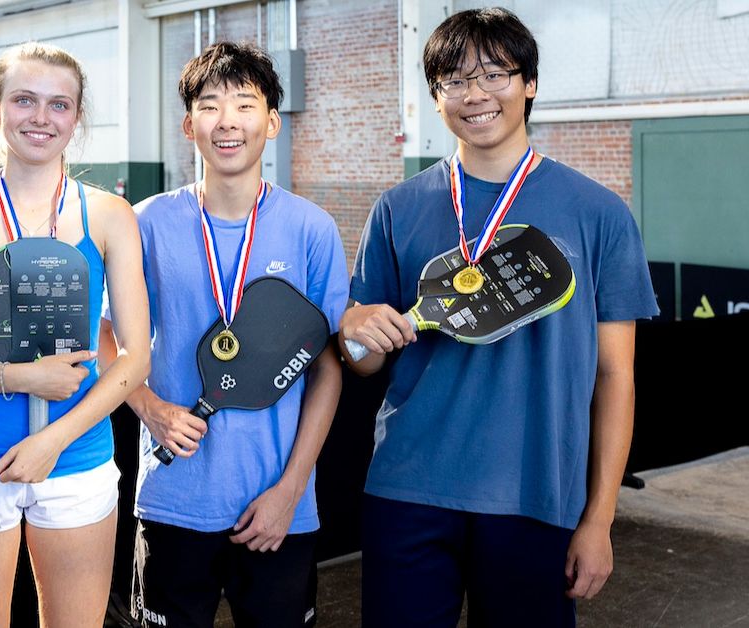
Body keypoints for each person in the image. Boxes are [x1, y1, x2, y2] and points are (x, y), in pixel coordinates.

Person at [339, 8, 659, 626]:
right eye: (455, 80)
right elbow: (365, 363)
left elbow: (615, 377)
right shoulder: (397, 208)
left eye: (495, 74)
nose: (475, 94)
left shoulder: (599, 213)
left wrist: (600, 517)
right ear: (436, 97)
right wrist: (355, 330)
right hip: (408, 489)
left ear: (529, 84)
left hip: (536, 496)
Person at [100, 41, 347, 628]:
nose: (228, 121)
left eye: (245, 104)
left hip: (277, 506)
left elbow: (328, 366)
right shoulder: (148, 222)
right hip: (172, 499)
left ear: (272, 123)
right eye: (210, 106)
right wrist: (150, 408)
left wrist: (291, 489)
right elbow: (108, 334)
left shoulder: (312, 228)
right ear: (189, 124)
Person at [0, 41, 150, 627]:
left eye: (59, 104)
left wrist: (52, 441)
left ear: (77, 117)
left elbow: (135, 358)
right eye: (25, 100)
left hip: (77, 461)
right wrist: (19, 377)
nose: (41, 118)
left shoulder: (111, 217)